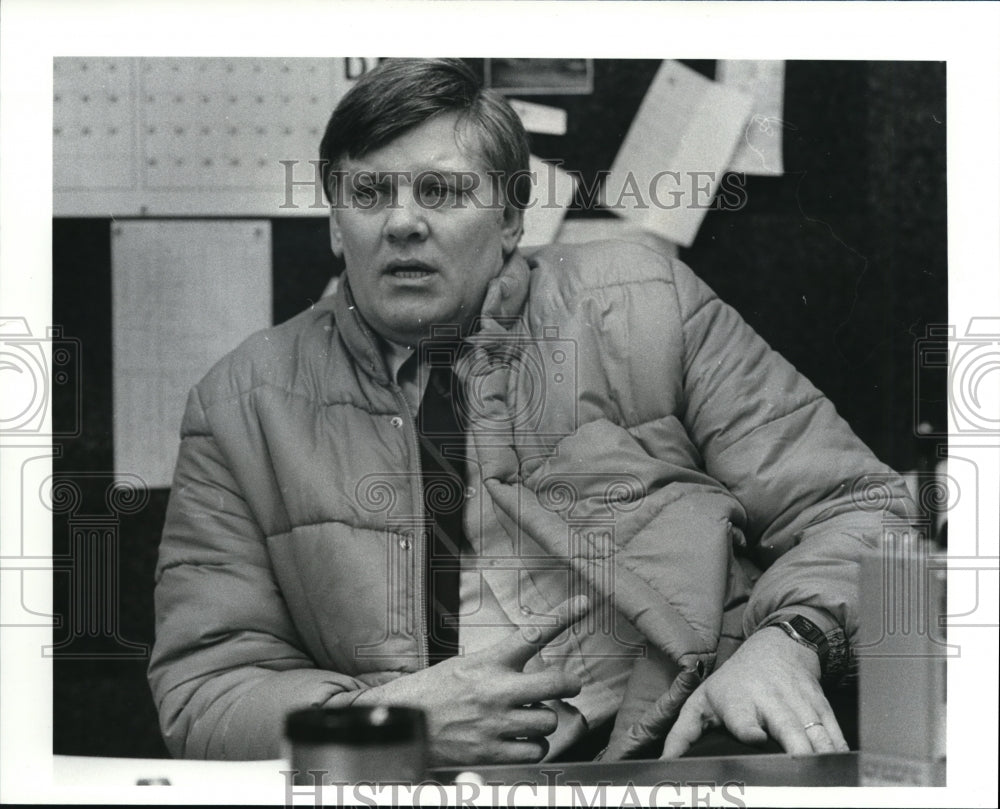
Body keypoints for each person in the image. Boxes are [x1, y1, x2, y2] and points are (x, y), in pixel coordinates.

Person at [148, 58, 915, 765]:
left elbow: (869, 510)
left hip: (671, 751)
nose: (402, 222)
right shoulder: (240, 403)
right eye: (369, 192)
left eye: (441, 191)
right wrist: (392, 726)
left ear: (512, 219)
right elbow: (203, 694)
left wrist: (792, 638)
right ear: (333, 221)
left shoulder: (645, 304)